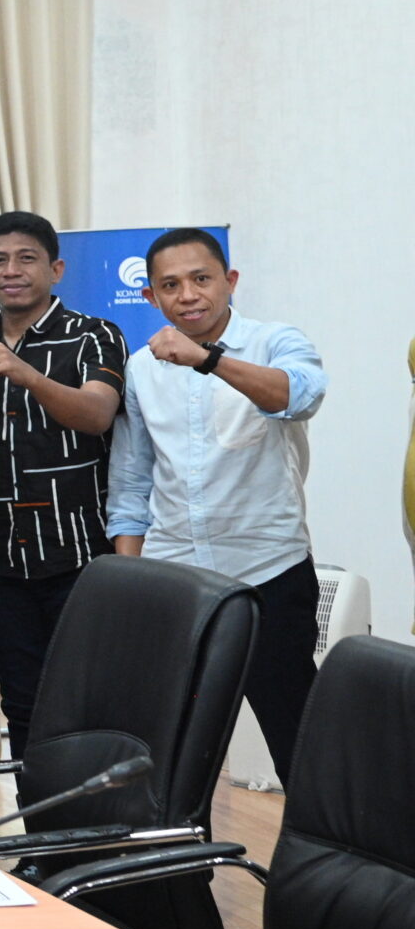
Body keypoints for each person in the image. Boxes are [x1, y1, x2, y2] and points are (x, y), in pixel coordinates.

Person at [109, 228, 327, 782]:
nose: (188, 295)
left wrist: (207, 360)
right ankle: (184, 869)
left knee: (297, 737)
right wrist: (133, 579)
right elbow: (134, 480)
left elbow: (300, 396)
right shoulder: (142, 367)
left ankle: (316, 865)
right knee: (180, 747)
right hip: (176, 580)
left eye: (202, 279)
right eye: (170, 285)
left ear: (229, 282)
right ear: (150, 297)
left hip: (268, 572)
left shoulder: (275, 340)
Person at [0, 211, 125, 752]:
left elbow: (97, 415)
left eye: (27, 258)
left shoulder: (94, 335)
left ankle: (95, 835)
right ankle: (39, 834)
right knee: (22, 704)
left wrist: (27, 373)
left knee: (87, 703)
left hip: (79, 555)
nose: (12, 270)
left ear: (55, 269)